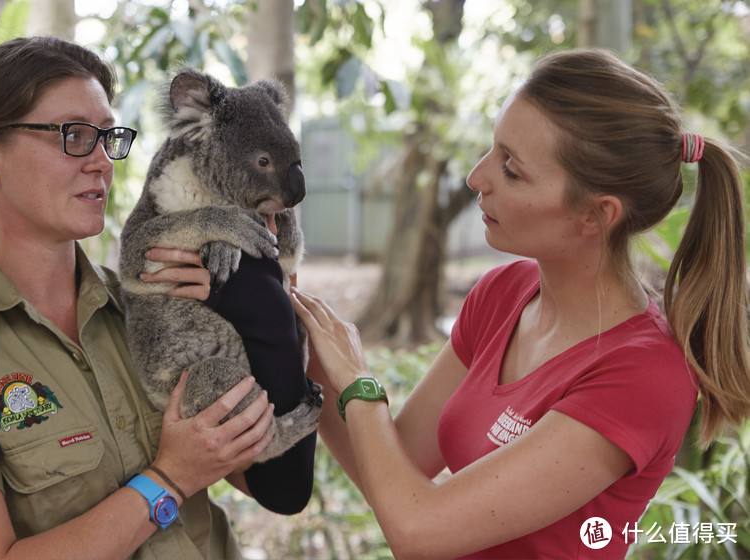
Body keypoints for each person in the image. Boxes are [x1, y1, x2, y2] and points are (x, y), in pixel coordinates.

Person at [290, 49, 750, 558]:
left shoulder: (642, 374)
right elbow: (394, 471)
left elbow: (418, 530)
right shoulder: (503, 293)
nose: (476, 178)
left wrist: (358, 380)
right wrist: (289, 330)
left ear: (596, 216)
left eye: (511, 169)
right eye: (492, 149)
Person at [0, 36, 279, 560]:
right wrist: (169, 479)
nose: (101, 162)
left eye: (107, 137)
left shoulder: (155, 303)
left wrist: (267, 309)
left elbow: (266, 480)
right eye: (73, 135)